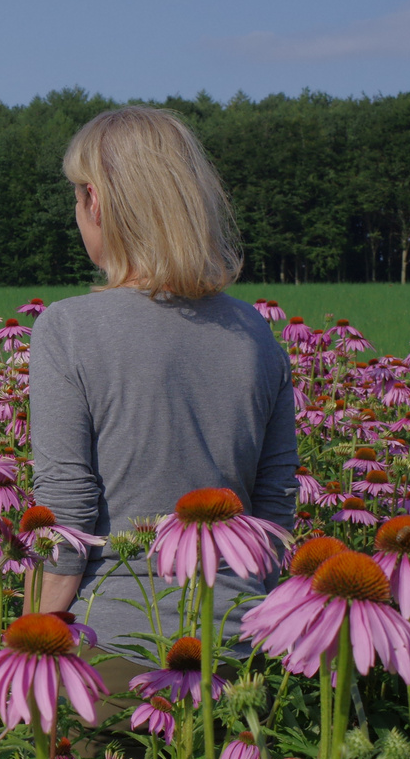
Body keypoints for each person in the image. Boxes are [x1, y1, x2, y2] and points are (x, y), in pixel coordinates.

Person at [26, 105, 298, 694]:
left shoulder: (68, 329)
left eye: (77, 196)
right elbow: (275, 505)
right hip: (239, 643)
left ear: (96, 201)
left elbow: (67, 510)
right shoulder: (255, 332)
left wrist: (34, 639)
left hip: (109, 648)